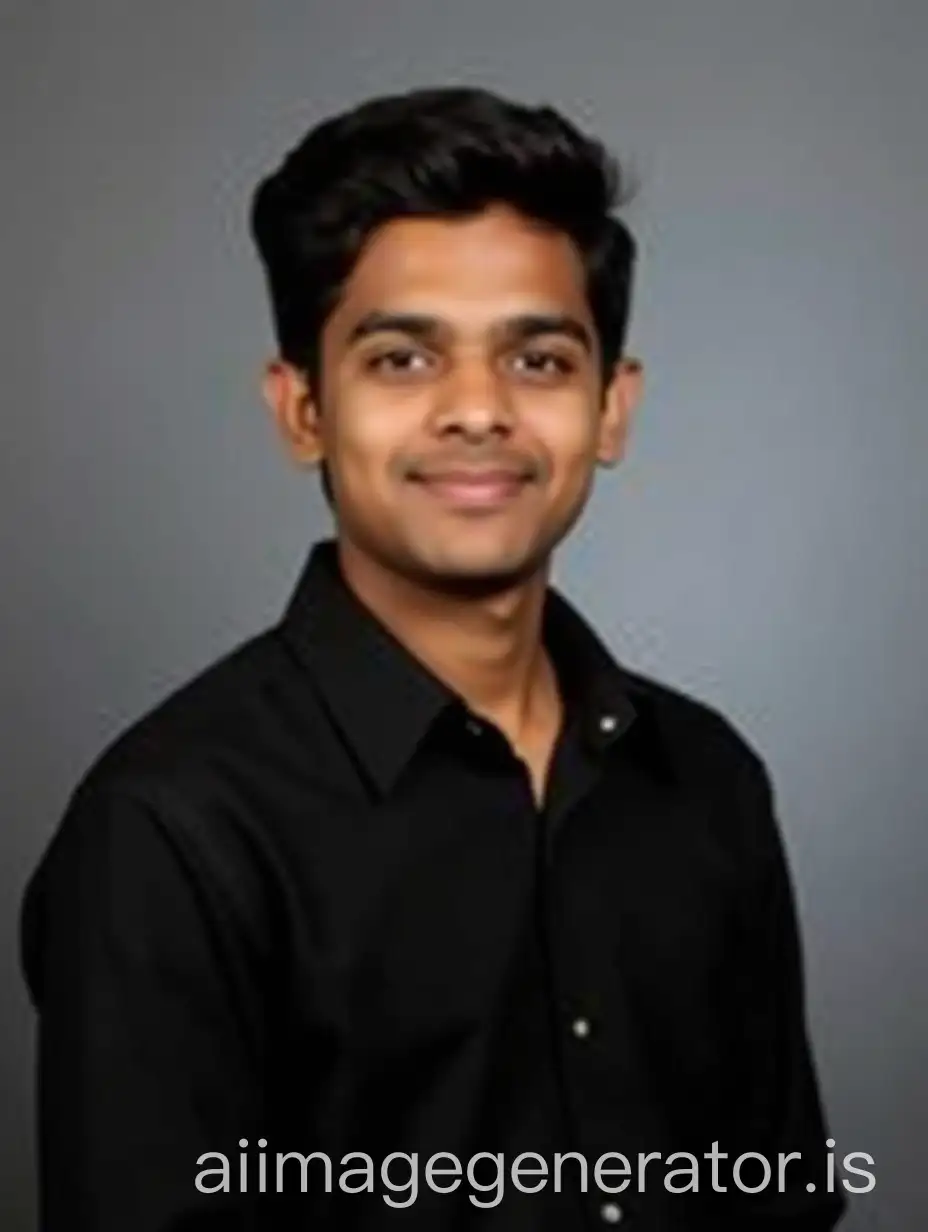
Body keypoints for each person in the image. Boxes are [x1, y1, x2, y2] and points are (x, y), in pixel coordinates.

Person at [19, 85, 845, 1231]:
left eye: (540, 359)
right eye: (403, 359)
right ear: (302, 407)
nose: (477, 410)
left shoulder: (707, 780)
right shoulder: (169, 826)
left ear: (612, 407)